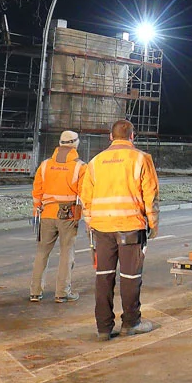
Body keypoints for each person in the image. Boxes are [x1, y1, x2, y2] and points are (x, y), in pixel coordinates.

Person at [81, 119, 160, 341]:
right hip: (130, 228)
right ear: (132, 136)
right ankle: (131, 322)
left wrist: (90, 223)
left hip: (102, 229)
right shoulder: (141, 159)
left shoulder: (95, 162)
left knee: (103, 278)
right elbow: (150, 196)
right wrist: (153, 224)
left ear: (110, 137)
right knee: (130, 277)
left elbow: (85, 198)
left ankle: (103, 327)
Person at [30, 130, 87, 303]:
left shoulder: (45, 164)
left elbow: (37, 191)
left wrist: (36, 210)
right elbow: (85, 194)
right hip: (68, 215)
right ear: (75, 143)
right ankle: (62, 292)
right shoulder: (80, 166)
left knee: (41, 253)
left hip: (46, 213)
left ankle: (35, 292)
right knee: (66, 253)